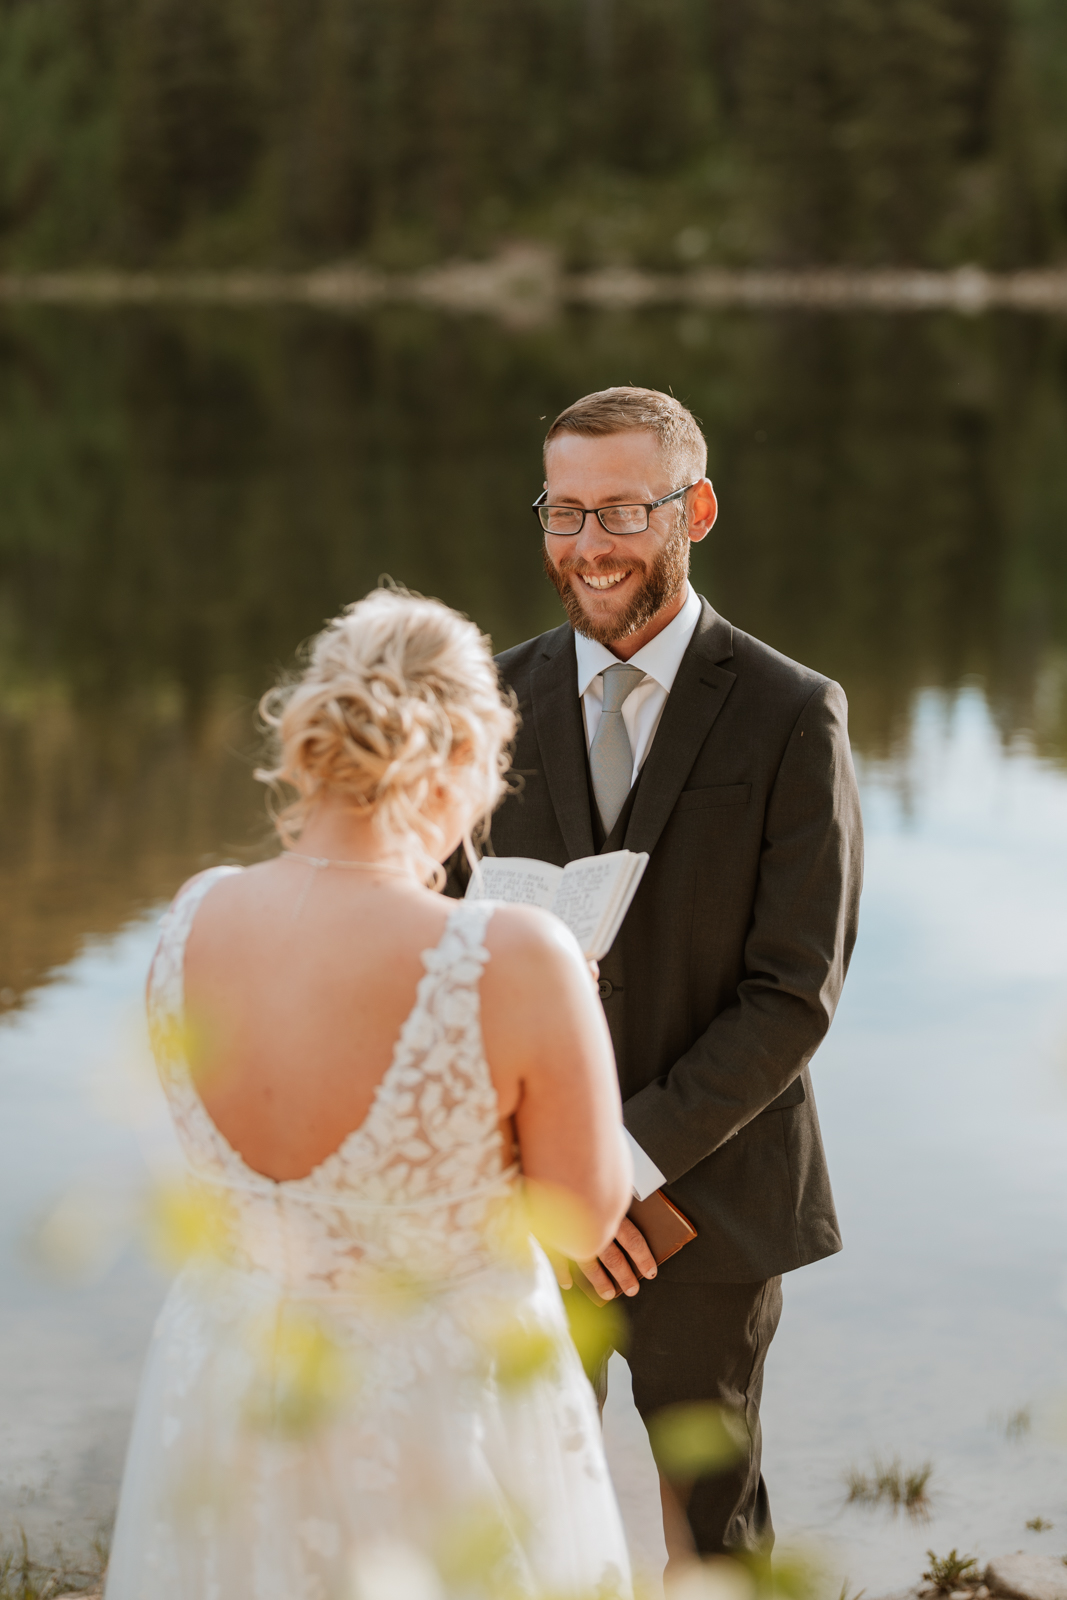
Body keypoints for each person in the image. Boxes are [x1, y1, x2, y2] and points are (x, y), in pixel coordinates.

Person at [104, 590, 635, 1600]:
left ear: (309, 737)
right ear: (467, 756)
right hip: (437, 1410)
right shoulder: (515, 954)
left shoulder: (190, 914)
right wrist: (574, 1018)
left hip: (224, 1383)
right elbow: (581, 1217)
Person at [471, 387, 863, 1565]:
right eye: (563, 511)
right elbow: (442, 961)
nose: (588, 546)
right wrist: (547, 1176)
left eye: (623, 511)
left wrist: (619, 1165)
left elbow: (792, 991)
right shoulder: (485, 702)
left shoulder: (793, 712)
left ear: (692, 508)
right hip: (527, 1208)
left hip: (712, 1198)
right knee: (528, 1519)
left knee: (710, 1530)